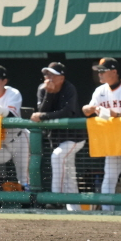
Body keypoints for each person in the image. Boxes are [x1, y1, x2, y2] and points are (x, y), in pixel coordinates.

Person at [82, 58, 121, 212]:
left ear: (114, 71)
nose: (99, 73)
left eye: (103, 70)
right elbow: (90, 111)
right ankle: (107, 210)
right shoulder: (100, 91)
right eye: (98, 71)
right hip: (112, 140)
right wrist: (87, 110)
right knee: (109, 178)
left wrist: (117, 114)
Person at [30, 62, 86, 211]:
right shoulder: (43, 89)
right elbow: (42, 109)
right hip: (55, 138)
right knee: (69, 174)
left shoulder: (69, 88)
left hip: (74, 137)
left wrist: (43, 116)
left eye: (52, 74)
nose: (48, 77)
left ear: (61, 77)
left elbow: (68, 111)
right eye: (46, 74)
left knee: (57, 157)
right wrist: (49, 94)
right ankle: (76, 211)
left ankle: (55, 198)